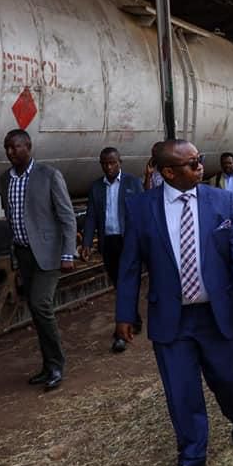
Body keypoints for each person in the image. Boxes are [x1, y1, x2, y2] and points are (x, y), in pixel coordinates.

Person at [115, 139, 233, 466]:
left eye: (200, 160)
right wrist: (124, 313)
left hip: (216, 314)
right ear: (168, 172)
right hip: (172, 318)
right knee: (181, 390)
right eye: (193, 163)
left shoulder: (222, 201)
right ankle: (192, 455)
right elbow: (130, 266)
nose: (200, 167)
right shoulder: (141, 208)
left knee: (227, 379)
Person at [0, 129, 77, 390]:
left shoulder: (49, 175)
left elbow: (67, 216)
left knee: (40, 304)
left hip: (48, 253)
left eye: (15, 147)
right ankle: (48, 365)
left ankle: (56, 365)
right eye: (7, 147)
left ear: (28, 146)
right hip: (23, 254)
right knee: (36, 310)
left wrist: (68, 253)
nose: (10, 152)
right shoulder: (4, 180)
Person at [80, 147, 144, 353]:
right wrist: (87, 243)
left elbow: (141, 212)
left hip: (129, 242)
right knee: (119, 284)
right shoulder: (96, 187)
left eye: (112, 163)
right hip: (109, 242)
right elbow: (91, 216)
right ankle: (134, 319)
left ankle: (121, 332)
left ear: (120, 162)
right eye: (105, 164)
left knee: (127, 284)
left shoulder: (132, 183)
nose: (109, 167)